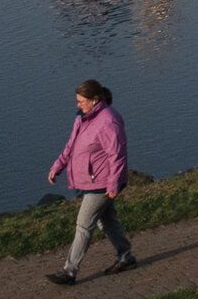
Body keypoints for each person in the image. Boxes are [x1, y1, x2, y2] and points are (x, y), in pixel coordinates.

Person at [45, 79, 137, 284]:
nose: (78, 105)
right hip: (93, 180)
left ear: (95, 100)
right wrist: (57, 166)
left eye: (81, 101)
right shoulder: (82, 118)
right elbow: (71, 146)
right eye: (77, 101)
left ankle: (69, 271)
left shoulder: (108, 121)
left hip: (103, 182)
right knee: (107, 221)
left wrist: (113, 185)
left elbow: (117, 154)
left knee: (83, 225)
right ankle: (126, 257)